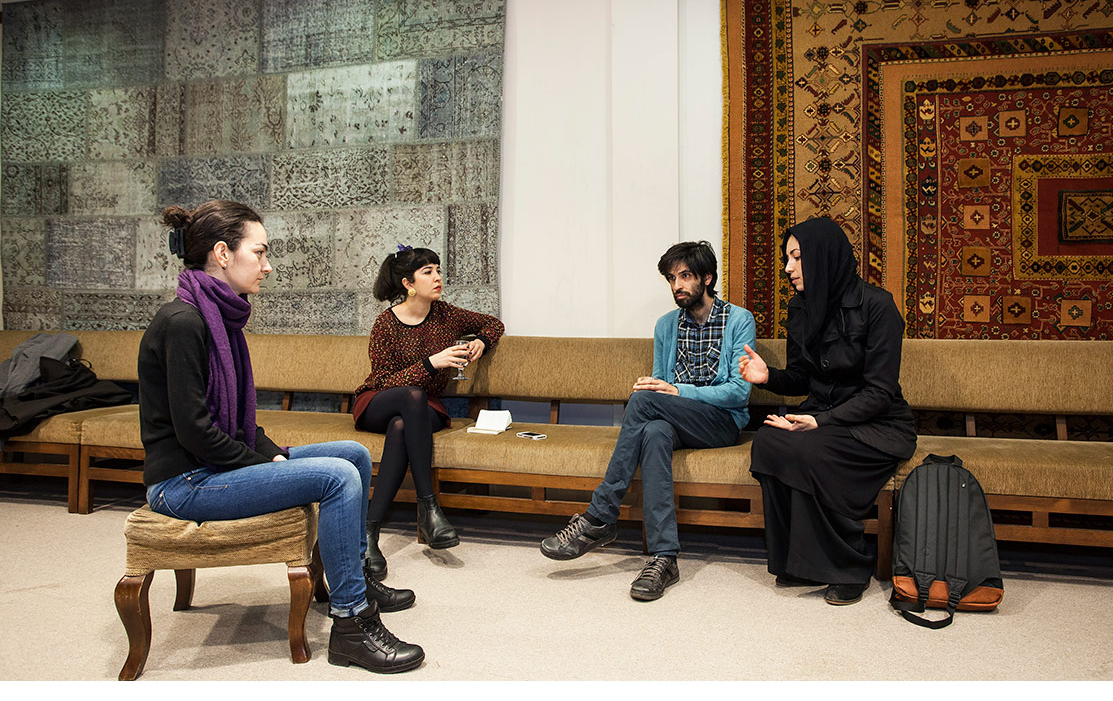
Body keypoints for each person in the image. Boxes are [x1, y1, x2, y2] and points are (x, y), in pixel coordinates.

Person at [138, 200, 424, 675]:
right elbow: (195, 432)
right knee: (336, 477)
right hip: (184, 483)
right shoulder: (183, 323)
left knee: (352, 454)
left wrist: (269, 453)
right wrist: (265, 463)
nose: (267, 266)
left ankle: (353, 580)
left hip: (210, 466)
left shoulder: (219, 317)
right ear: (223, 254)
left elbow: (238, 422)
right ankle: (352, 624)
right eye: (260, 252)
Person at [540, 241, 756, 601]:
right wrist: (664, 392)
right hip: (676, 420)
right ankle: (664, 558)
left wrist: (677, 391)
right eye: (671, 278)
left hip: (721, 423)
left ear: (707, 278)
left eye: (685, 276)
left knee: (642, 400)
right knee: (654, 431)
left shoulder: (739, 320)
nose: (677, 286)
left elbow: (738, 392)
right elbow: (659, 387)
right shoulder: (666, 326)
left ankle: (599, 515)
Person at [738, 216, 916, 606]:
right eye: (787, 258)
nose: (788, 268)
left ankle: (849, 567)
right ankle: (798, 563)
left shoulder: (877, 306)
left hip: (877, 425)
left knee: (810, 449)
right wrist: (768, 377)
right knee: (769, 442)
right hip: (822, 417)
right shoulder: (801, 307)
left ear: (824, 256)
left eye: (797, 257)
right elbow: (803, 377)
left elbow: (880, 393)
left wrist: (821, 421)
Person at [353, 245, 504, 575]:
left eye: (438, 270)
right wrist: (431, 363)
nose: (437, 277)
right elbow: (383, 381)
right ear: (408, 284)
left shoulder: (446, 314)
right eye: (428, 272)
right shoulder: (385, 324)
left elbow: (493, 323)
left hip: (423, 408)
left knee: (402, 426)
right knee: (411, 397)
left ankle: (368, 532)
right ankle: (429, 507)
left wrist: (482, 340)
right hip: (378, 401)